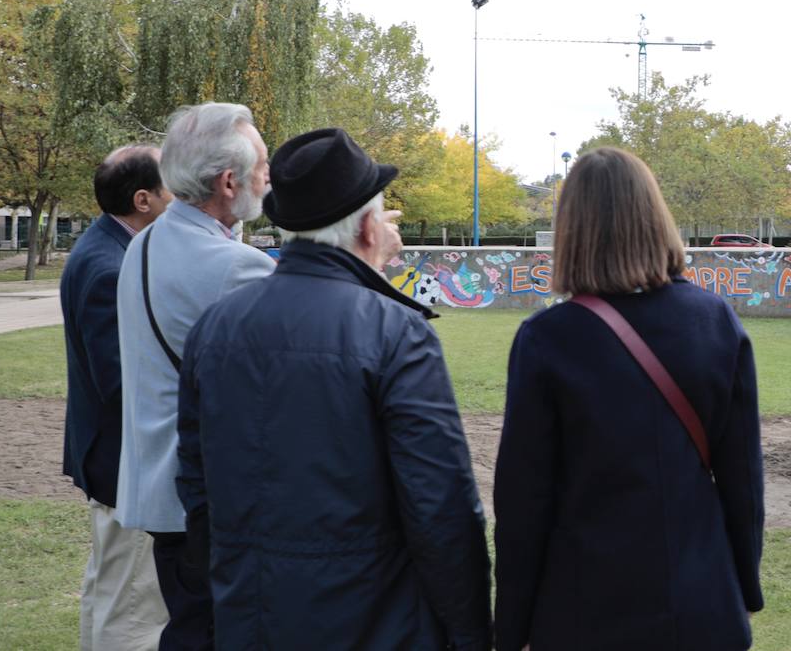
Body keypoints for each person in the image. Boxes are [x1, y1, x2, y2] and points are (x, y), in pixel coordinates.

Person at [175, 127, 492, 651]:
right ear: (368, 227)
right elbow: (441, 504)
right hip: (372, 620)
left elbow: (196, 483)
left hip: (252, 610)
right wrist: (470, 633)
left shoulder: (216, 325)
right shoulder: (395, 332)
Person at [493, 147, 765, 651]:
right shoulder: (714, 321)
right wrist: (743, 587)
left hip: (584, 608)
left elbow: (523, 502)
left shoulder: (549, 338)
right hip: (699, 598)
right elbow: (742, 478)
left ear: (572, 229)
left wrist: (511, 627)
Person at [116, 103, 276, 650]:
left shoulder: (146, 240)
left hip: (159, 488)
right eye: (262, 165)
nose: (268, 177)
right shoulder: (237, 266)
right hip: (208, 497)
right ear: (229, 182)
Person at [61, 145, 172, 649]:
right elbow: (122, 384)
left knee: (110, 592)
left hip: (113, 460)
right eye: (173, 187)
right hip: (127, 466)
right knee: (133, 611)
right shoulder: (111, 266)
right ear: (143, 199)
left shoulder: (107, 248)